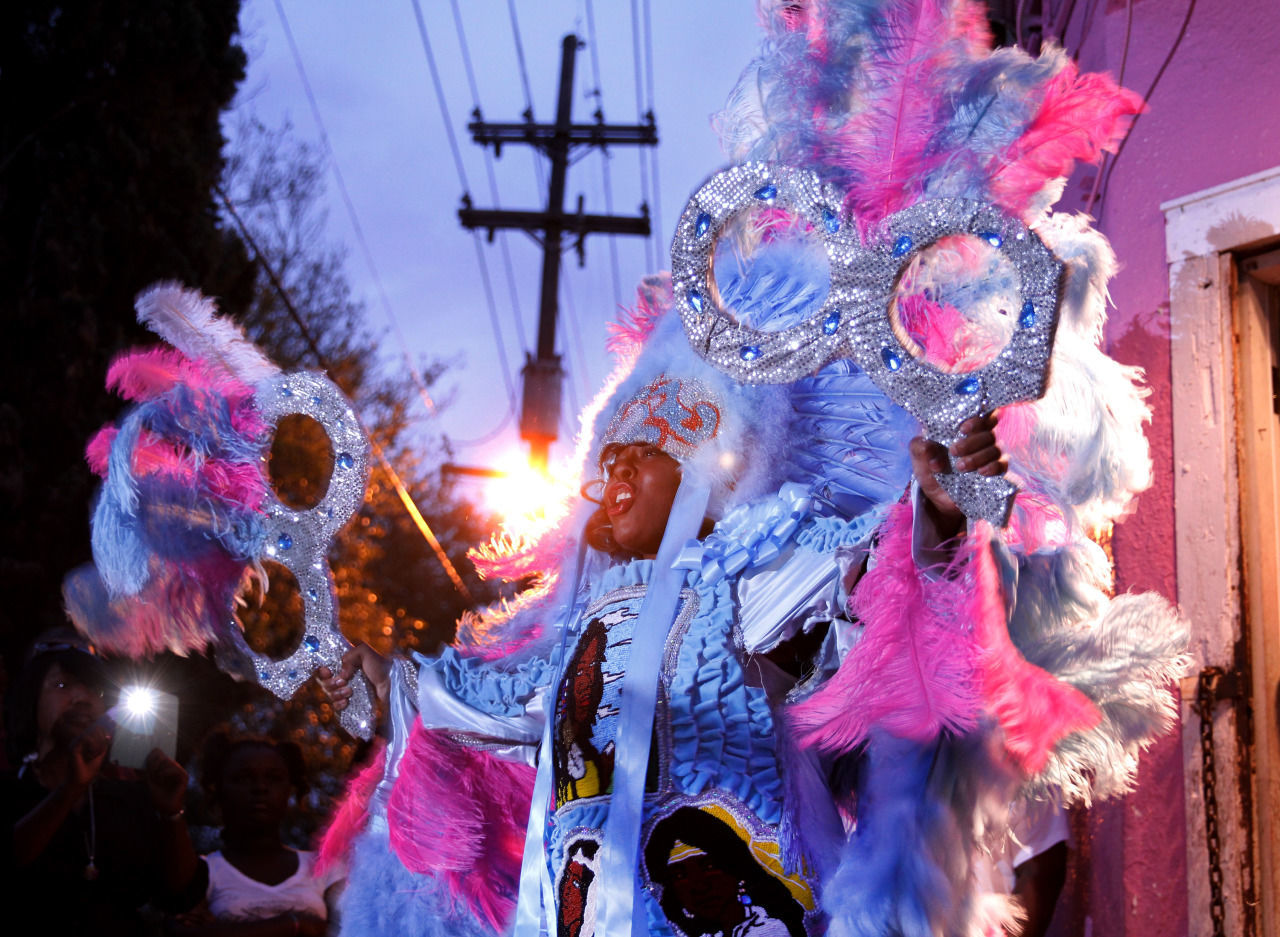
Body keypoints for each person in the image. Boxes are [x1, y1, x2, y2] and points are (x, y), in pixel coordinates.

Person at [319, 346, 1009, 937]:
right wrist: (384, 676)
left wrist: (936, 508)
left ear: (702, 470)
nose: (613, 483)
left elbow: (867, 571)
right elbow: (482, 703)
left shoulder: (745, 571)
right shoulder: (576, 629)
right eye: (609, 463)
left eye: (638, 462)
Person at [1, 630, 203, 936]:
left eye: (95, 690)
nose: (82, 699)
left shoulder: (129, 798)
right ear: (31, 698)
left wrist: (171, 813)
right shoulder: (10, 791)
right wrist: (70, 790)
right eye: (62, 685)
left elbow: (179, 894)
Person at [169, 731, 344, 937]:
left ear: (290, 789)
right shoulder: (202, 873)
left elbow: (361, 928)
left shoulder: (324, 868)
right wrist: (298, 924)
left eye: (274, 778)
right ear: (219, 788)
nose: (260, 787)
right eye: (243, 778)